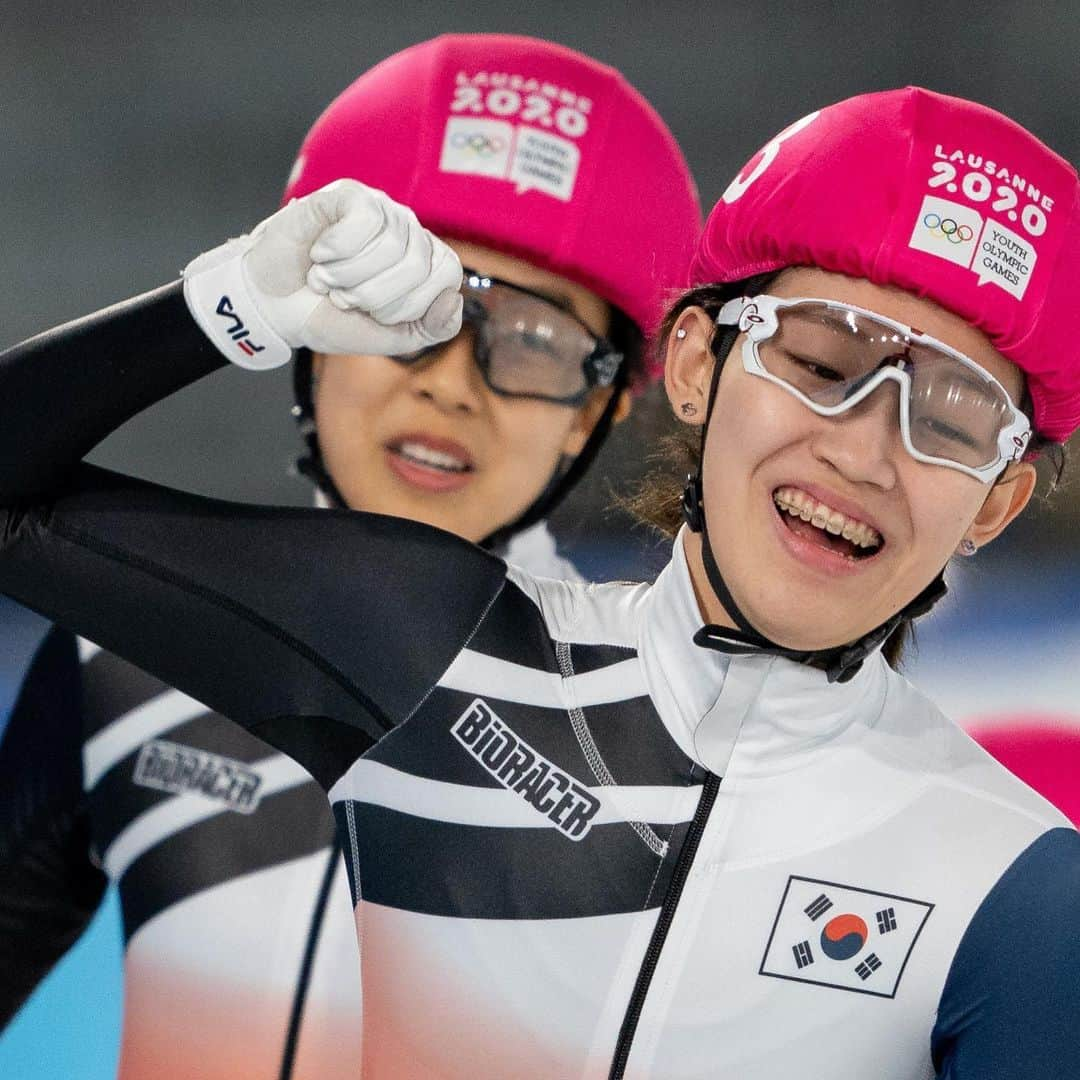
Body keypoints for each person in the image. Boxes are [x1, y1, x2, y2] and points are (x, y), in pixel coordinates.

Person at [0, 84, 1078, 1079]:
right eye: (822, 363)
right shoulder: (437, 645)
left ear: (993, 503)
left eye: (951, 417)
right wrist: (222, 307)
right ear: (699, 368)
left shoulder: (1020, 889)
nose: (861, 453)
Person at [0, 33, 699, 1080]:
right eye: (403, 306)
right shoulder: (119, 663)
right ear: (311, 334)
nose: (452, 384)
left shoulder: (658, 719)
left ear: (601, 409)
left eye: (537, 339)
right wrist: (218, 312)